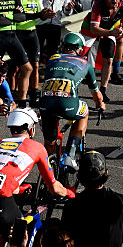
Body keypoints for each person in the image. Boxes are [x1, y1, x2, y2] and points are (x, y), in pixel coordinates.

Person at [0, 107, 72, 247]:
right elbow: (53, 187)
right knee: (20, 242)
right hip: (0, 203)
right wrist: (70, 193)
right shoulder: (38, 147)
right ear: (31, 128)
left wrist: (20, 188)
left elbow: (0, 173)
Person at [38, 32, 106, 170]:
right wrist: (100, 105)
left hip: (45, 103)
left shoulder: (53, 58)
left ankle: (47, 169)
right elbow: (96, 94)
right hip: (67, 105)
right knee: (84, 111)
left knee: (49, 142)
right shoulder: (85, 63)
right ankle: (70, 154)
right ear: (80, 49)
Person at [81, 0, 123, 94]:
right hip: (89, 30)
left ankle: (103, 89)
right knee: (81, 56)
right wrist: (112, 32)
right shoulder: (99, 5)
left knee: (108, 59)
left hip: (109, 31)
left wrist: (120, 32)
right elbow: (94, 29)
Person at [15, 0, 47, 105]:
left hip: (32, 31)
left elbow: (39, 14)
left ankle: (34, 96)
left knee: (35, 64)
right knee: (16, 66)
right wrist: (39, 14)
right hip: (19, 31)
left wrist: (46, 14)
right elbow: (20, 14)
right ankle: (14, 96)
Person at [37, 0, 78, 65]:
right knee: (37, 56)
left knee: (53, 56)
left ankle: (50, 78)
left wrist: (68, 8)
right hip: (39, 25)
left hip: (55, 26)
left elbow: (67, 13)